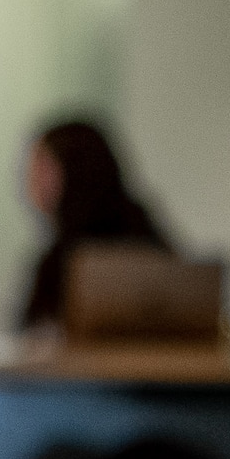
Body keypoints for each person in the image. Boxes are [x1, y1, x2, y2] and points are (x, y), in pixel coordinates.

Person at [15, 115, 174, 338]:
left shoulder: (67, 261)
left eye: (42, 165)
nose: (30, 178)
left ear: (73, 168)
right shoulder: (144, 232)